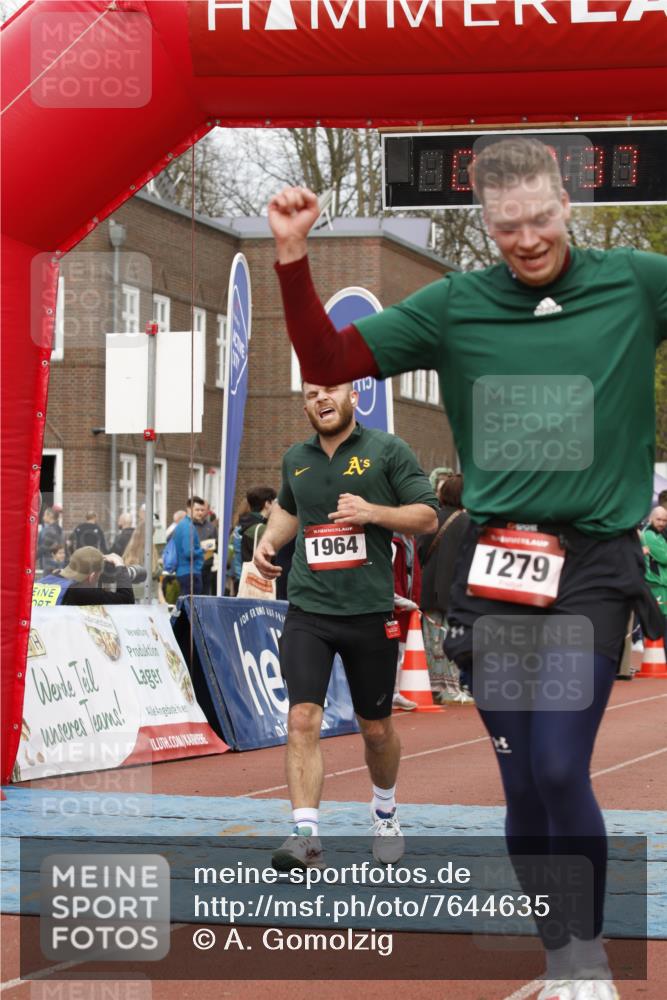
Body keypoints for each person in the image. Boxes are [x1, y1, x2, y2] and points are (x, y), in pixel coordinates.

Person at [267, 137, 667, 998]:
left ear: (566, 199)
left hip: (594, 560)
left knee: (562, 765)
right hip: (494, 566)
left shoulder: (635, 283)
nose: (525, 240)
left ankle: (588, 957)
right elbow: (329, 363)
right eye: (504, 226)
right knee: (522, 775)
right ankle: (560, 953)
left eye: (539, 219)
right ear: (482, 222)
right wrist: (294, 260)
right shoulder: (456, 306)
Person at [253, 381, 438, 871]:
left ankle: (384, 810)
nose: (321, 399)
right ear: (306, 403)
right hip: (308, 610)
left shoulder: (388, 450)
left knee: (375, 729)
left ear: (353, 396)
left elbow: (427, 516)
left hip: (369, 613)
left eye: (330, 390)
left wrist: (372, 512)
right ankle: (305, 836)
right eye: (311, 393)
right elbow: (291, 510)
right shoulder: (296, 457)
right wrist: (267, 541)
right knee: (301, 719)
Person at [417, 473, 473, 704]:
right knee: (453, 638)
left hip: (429, 587)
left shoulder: (432, 518)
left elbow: (420, 550)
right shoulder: (468, 521)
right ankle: (451, 689)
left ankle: (434, 686)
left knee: (432, 640)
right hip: (454, 591)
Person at [32, 547, 138, 606]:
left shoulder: (40, 583)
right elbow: (126, 600)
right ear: (92, 576)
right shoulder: (78, 593)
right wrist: (120, 565)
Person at [640, 506, 667, 640]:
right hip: (656, 587)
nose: (662, 523)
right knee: (660, 629)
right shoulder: (649, 535)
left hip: (661, 587)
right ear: (651, 519)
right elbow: (664, 557)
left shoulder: (659, 534)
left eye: (664, 520)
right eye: (659, 519)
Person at [172, 496, 205, 596]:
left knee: (186, 606)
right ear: (188, 509)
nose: (200, 513)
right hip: (190, 573)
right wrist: (202, 550)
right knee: (192, 608)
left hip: (183, 572)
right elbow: (188, 552)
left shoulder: (182, 525)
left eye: (202, 510)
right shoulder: (188, 527)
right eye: (197, 510)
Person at [240, 486, 277, 563]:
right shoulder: (262, 529)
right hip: (262, 573)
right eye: (275, 502)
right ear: (267, 504)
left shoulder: (245, 524)